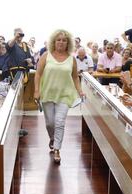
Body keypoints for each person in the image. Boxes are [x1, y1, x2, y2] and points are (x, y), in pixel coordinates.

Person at [34, 29, 85, 164]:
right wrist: (36, 91)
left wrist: (80, 91)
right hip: (47, 93)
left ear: (68, 43)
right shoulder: (46, 55)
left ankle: (57, 148)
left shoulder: (72, 59)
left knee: (60, 122)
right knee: (50, 123)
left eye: (64, 40)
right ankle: (53, 138)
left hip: (65, 95)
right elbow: (38, 74)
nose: (61, 42)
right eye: (58, 40)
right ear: (54, 42)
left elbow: (75, 77)